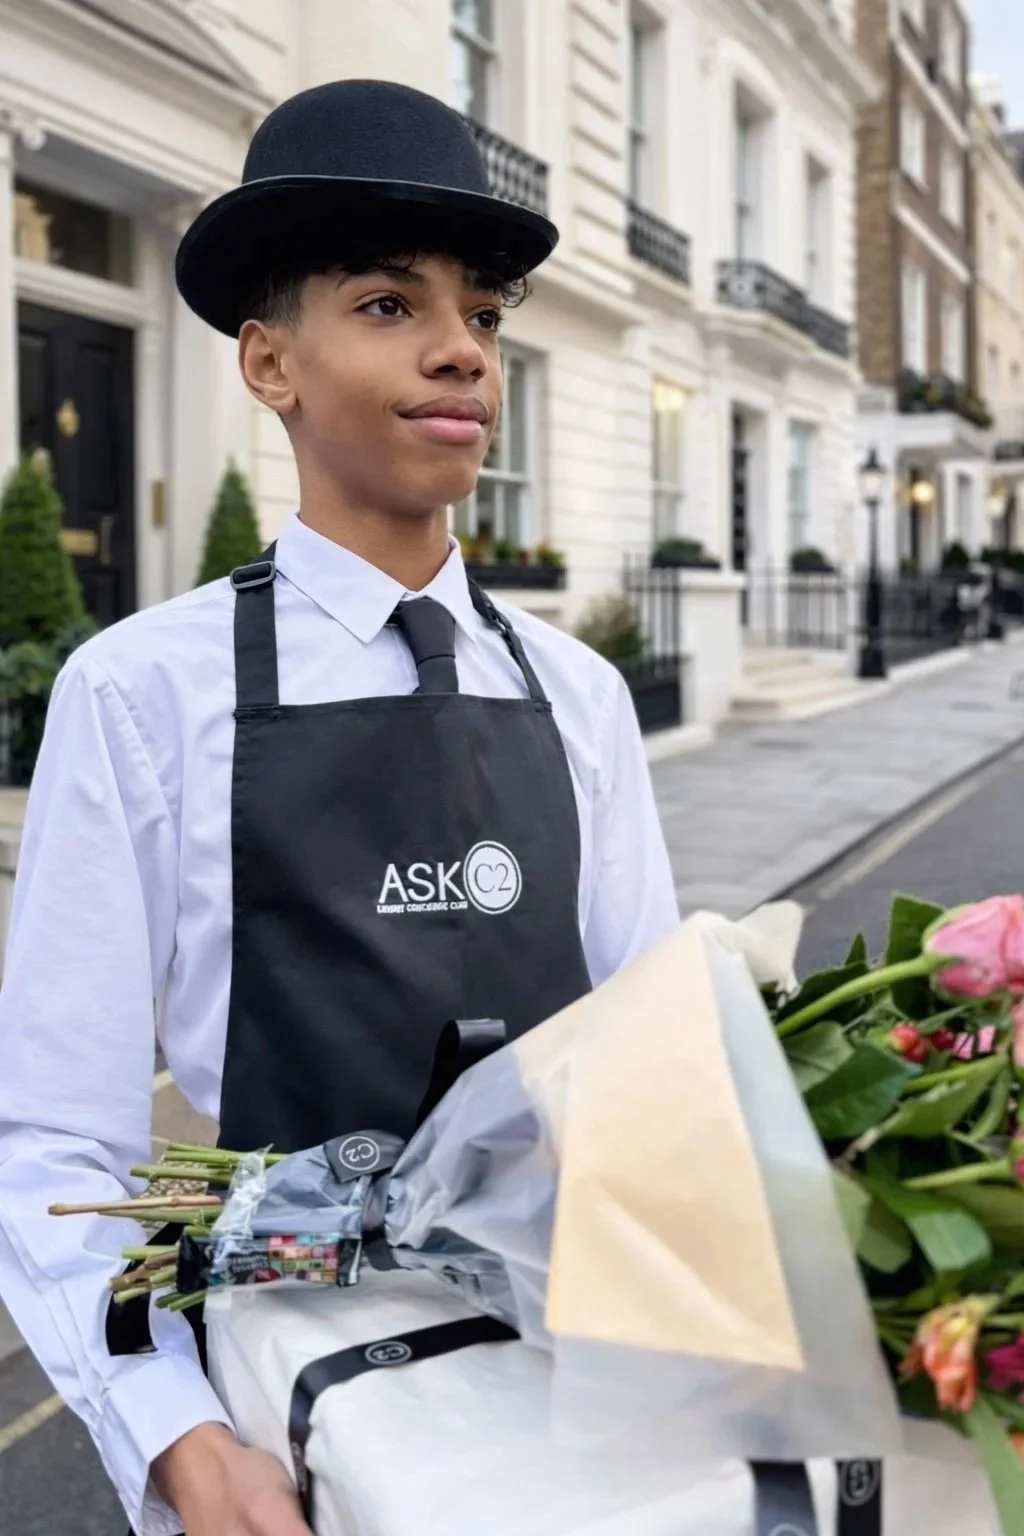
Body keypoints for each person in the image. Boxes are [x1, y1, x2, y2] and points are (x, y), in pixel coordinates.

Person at [0, 80, 678, 1536]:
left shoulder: (581, 694)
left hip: (579, 1380)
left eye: (485, 317)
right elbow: (58, 1142)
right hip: (290, 1390)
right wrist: (178, 1435)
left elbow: (655, 1079)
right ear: (268, 363)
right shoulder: (141, 695)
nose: (462, 353)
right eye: (388, 305)